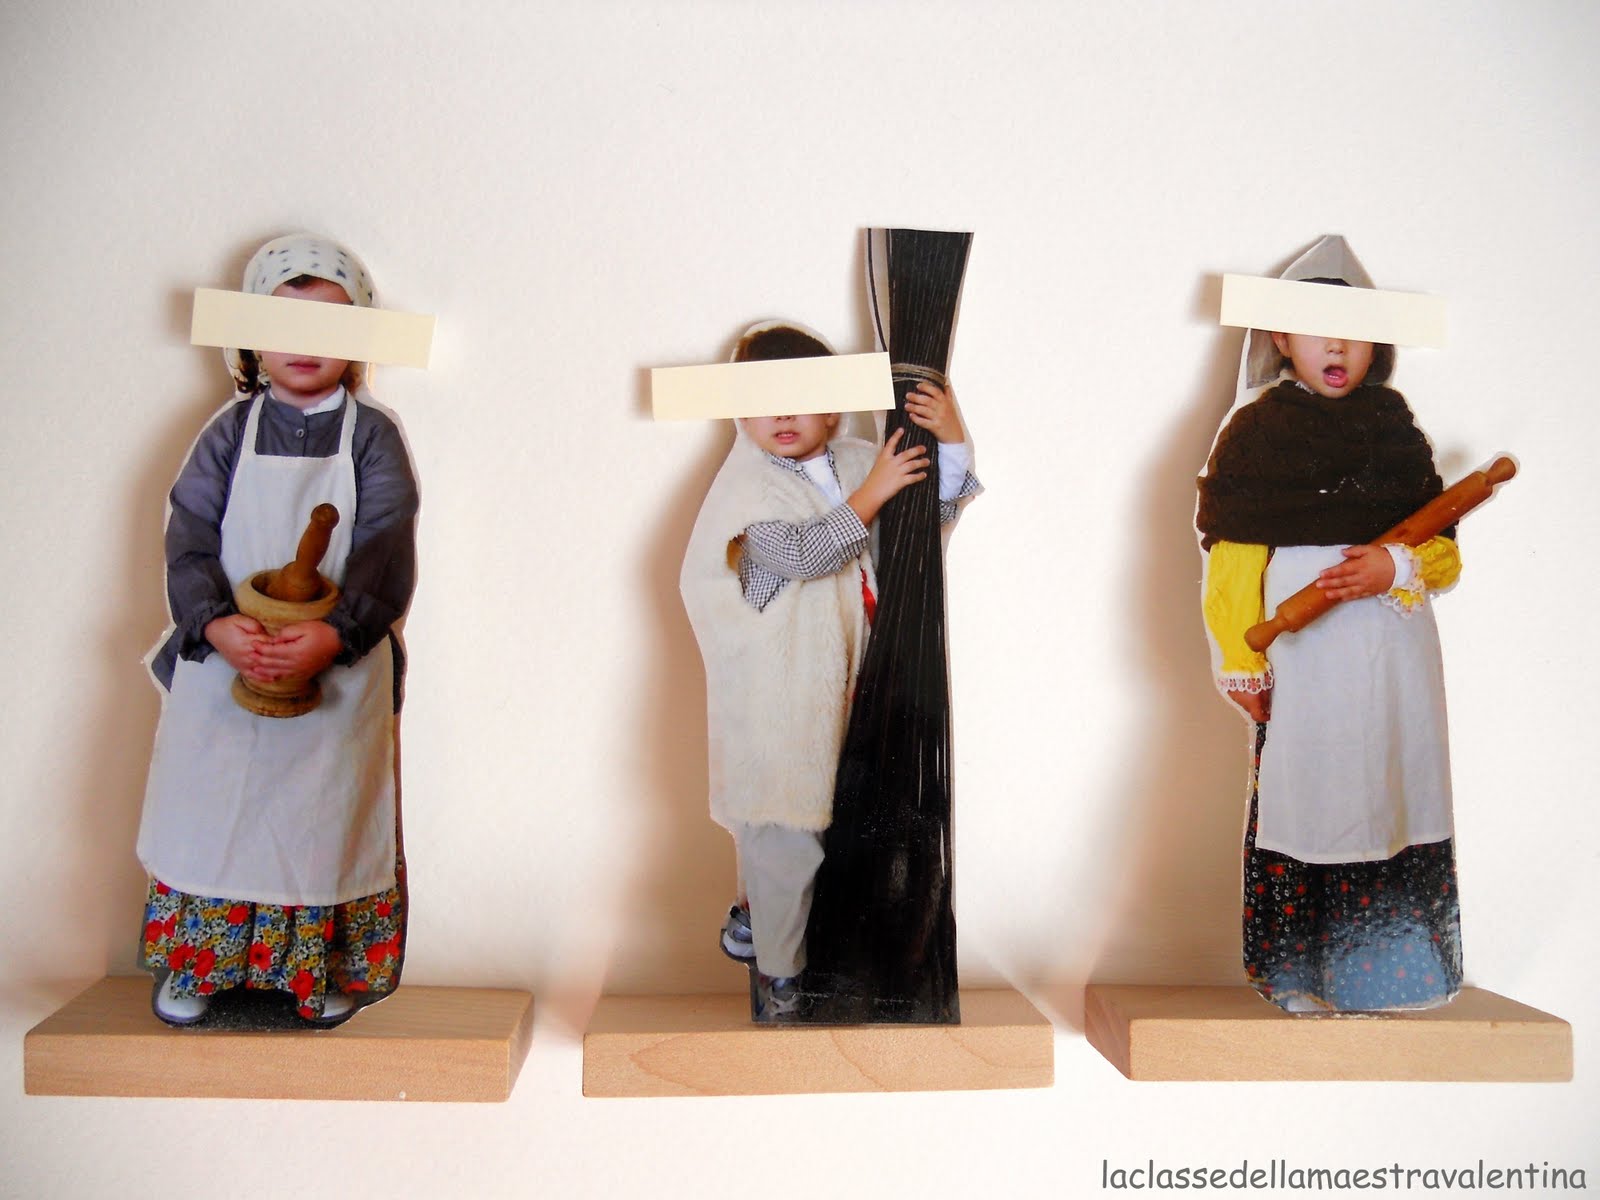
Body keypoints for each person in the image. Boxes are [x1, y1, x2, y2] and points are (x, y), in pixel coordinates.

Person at [136, 234, 419, 1026]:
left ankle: (312, 971)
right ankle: (200, 964)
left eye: (329, 327)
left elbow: (386, 540)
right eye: (284, 325)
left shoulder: (374, 436)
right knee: (212, 815)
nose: (304, 346)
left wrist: (336, 632)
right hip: (226, 662)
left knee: (319, 822)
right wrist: (215, 623)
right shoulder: (228, 431)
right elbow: (190, 531)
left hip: (334, 668)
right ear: (250, 339)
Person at [679, 321, 977, 1020]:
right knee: (789, 827)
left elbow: (922, 525)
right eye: (764, 402)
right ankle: (779, 976)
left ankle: (758, 920)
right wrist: (874, 491)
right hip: (781, 696)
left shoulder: (856, 460)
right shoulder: (747, 488)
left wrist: (952, 436)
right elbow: (802, 554)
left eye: (804, 400)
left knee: (844, 830)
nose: (783, 416)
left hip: (853, 680)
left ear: (836, 411)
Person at [1196, 236, 1463, 1013]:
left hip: (1396, 650)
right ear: (1282, 338)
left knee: (1397, 789)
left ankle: (1397, 979)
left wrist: (1396, 567)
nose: (1337, 348)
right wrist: (1239, 660)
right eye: (1317, 330)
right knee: (1311, 795)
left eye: (1352, 332)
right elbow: (1233, 560)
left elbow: (1444, 553)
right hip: (1308, 660)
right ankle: (1301, 976)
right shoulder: (1258, 430)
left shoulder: (1396, 427)